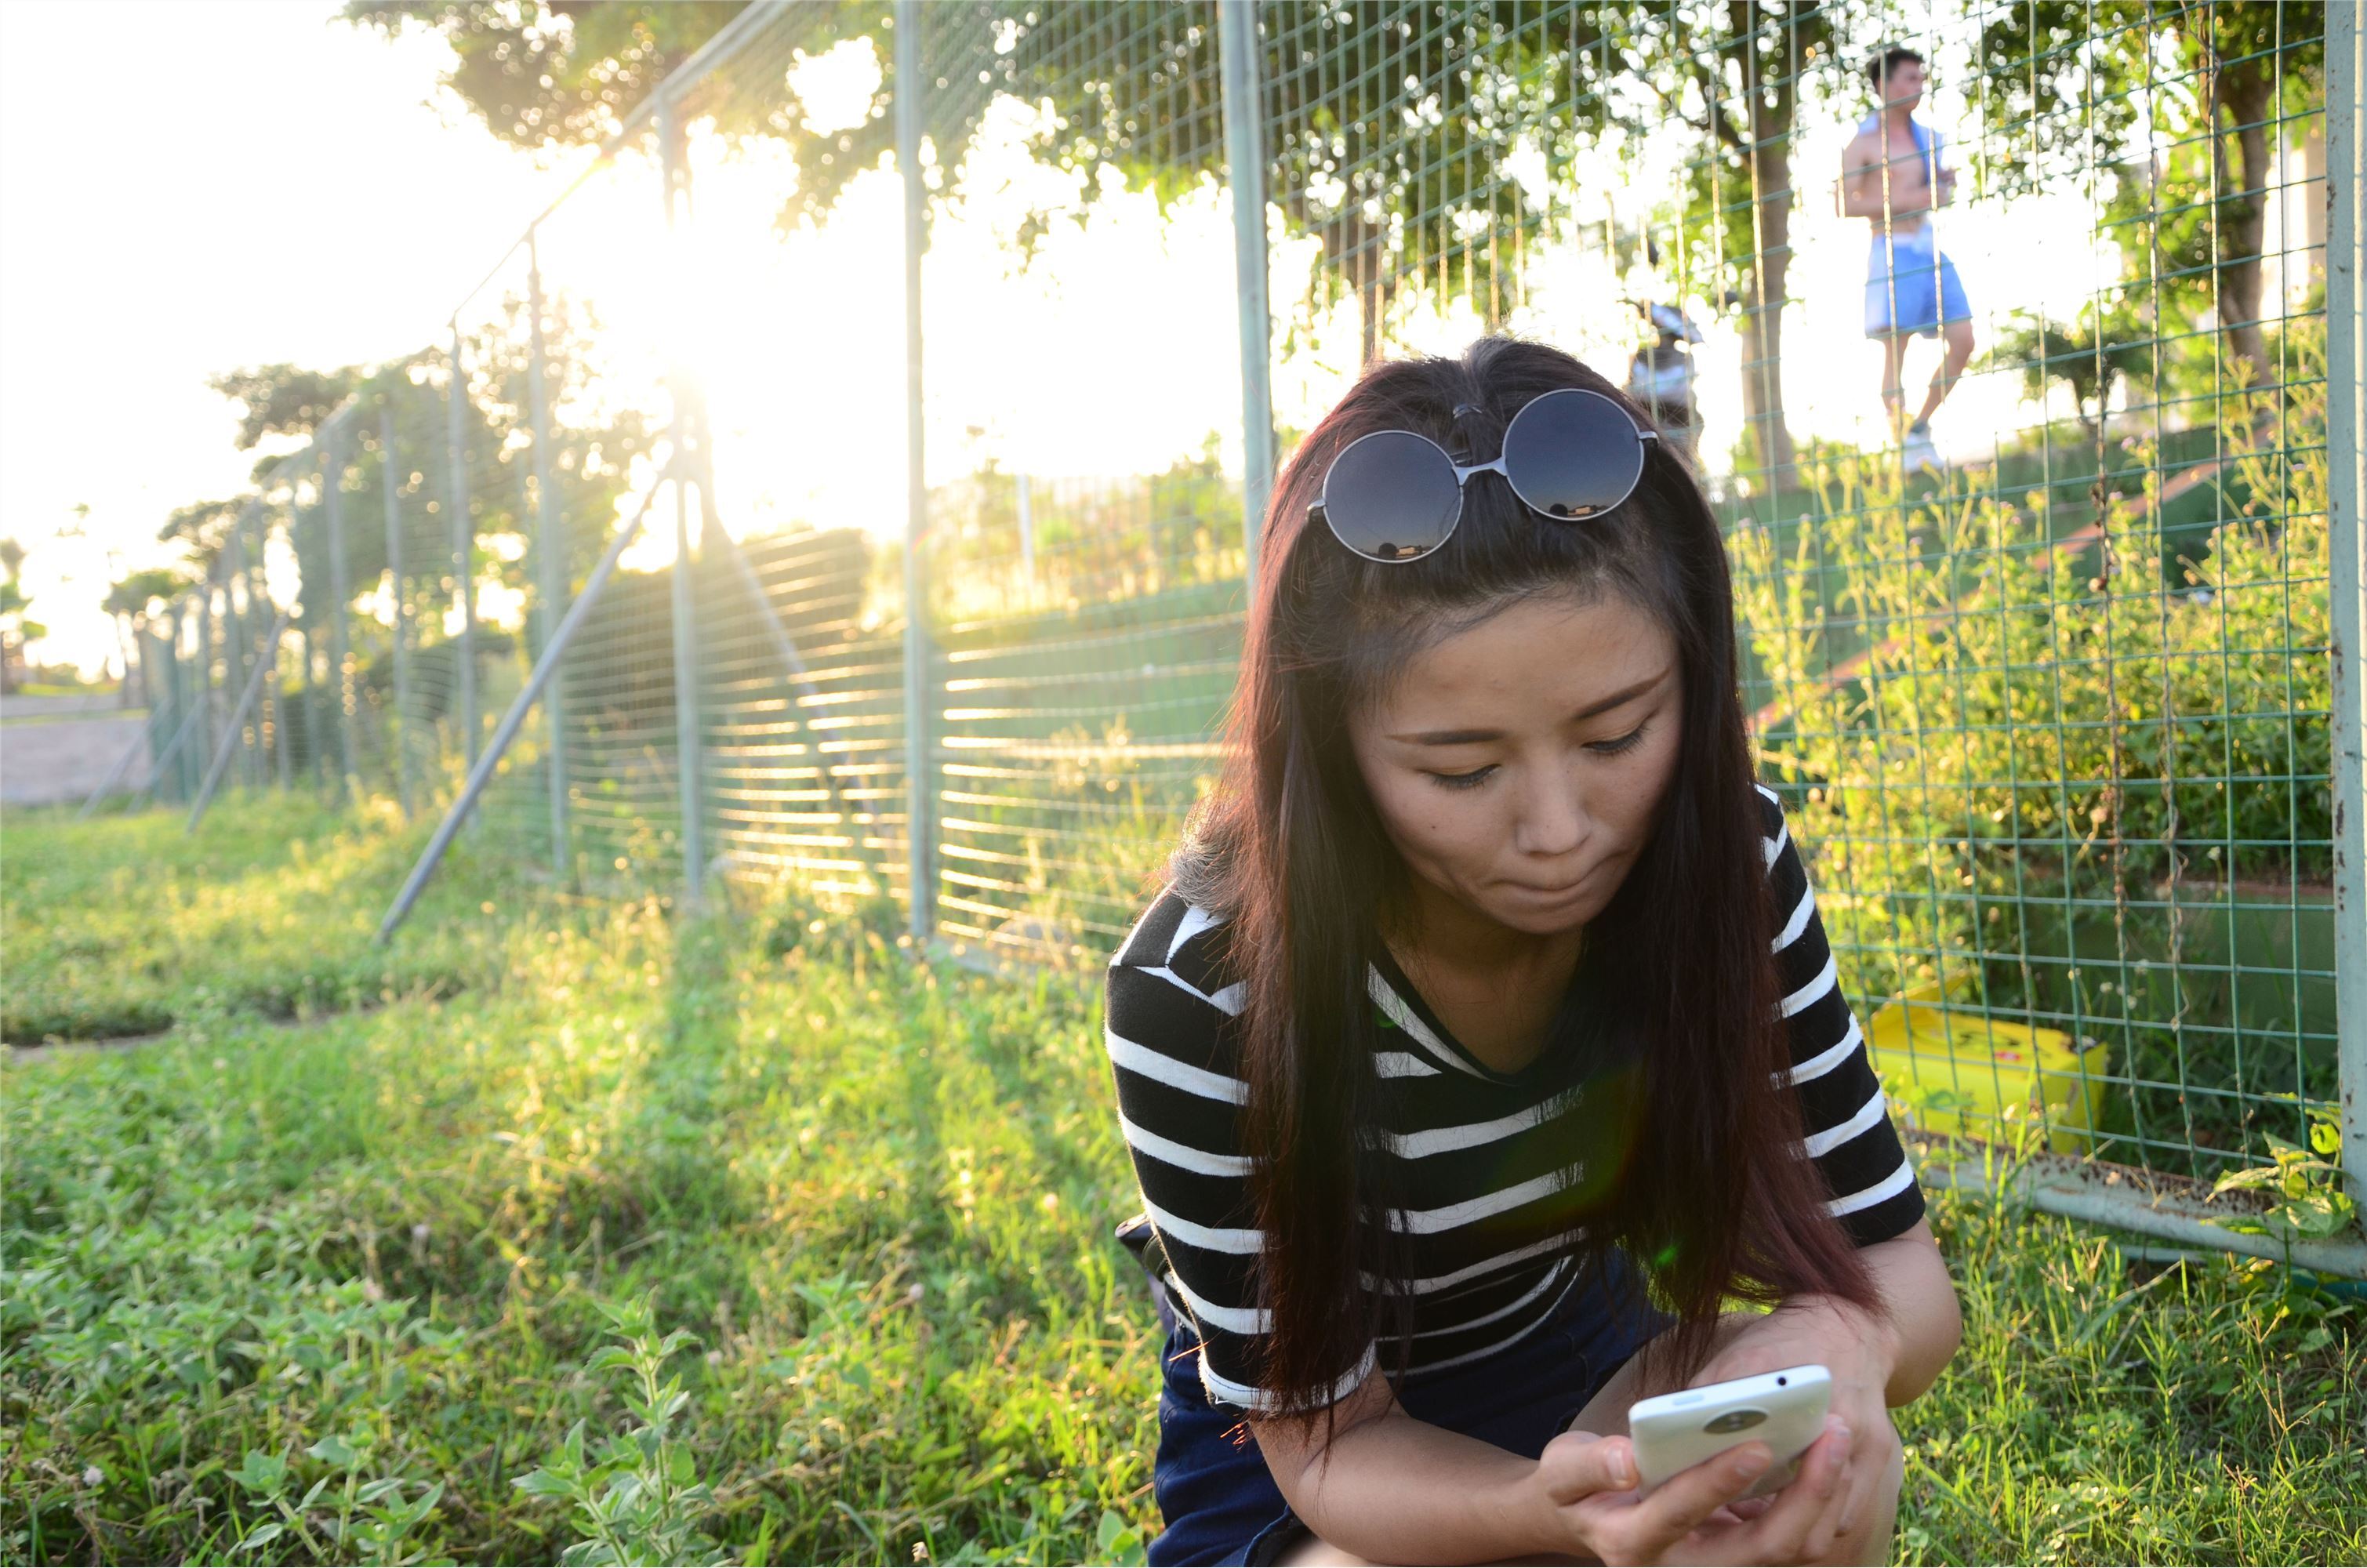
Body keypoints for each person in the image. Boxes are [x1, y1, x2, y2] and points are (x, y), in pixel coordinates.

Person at [1104, 338, 1962, 1566]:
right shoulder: (1203, 992)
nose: (1558, 833)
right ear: (1331, 745)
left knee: (1828, 1474)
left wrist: (1844, 1349)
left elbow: (1898, 1270)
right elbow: (1332, 1443)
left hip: (1582, 1352)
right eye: (1459, 769)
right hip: (1308, 1473)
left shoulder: (1727, 863)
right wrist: (1555, 1522)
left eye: (1615, 736)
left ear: (1693, 676)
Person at [1842, 46, 1975, 474]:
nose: (1918, 87)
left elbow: (1938, 194)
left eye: (1921, 79)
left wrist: (1941, 185)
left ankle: (1920, 427)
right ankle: (1903, 445)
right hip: (1891, 253)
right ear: (1884, 86)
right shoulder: (1863, 143)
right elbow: (1845, 204)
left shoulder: (1929, 138)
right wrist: (1904, 199)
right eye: (1909, 79)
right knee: (1894, 355)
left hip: (1928, 248)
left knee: (1964, 341)